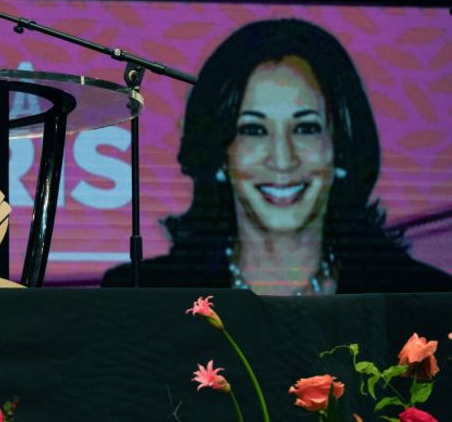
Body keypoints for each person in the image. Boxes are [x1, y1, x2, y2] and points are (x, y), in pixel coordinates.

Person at [102, 18, 452, 294]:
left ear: (340, 147)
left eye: (305, 128)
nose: (283, 159)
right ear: (220, 154)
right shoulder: (144, 292)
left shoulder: (421, 295)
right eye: (254, 130)